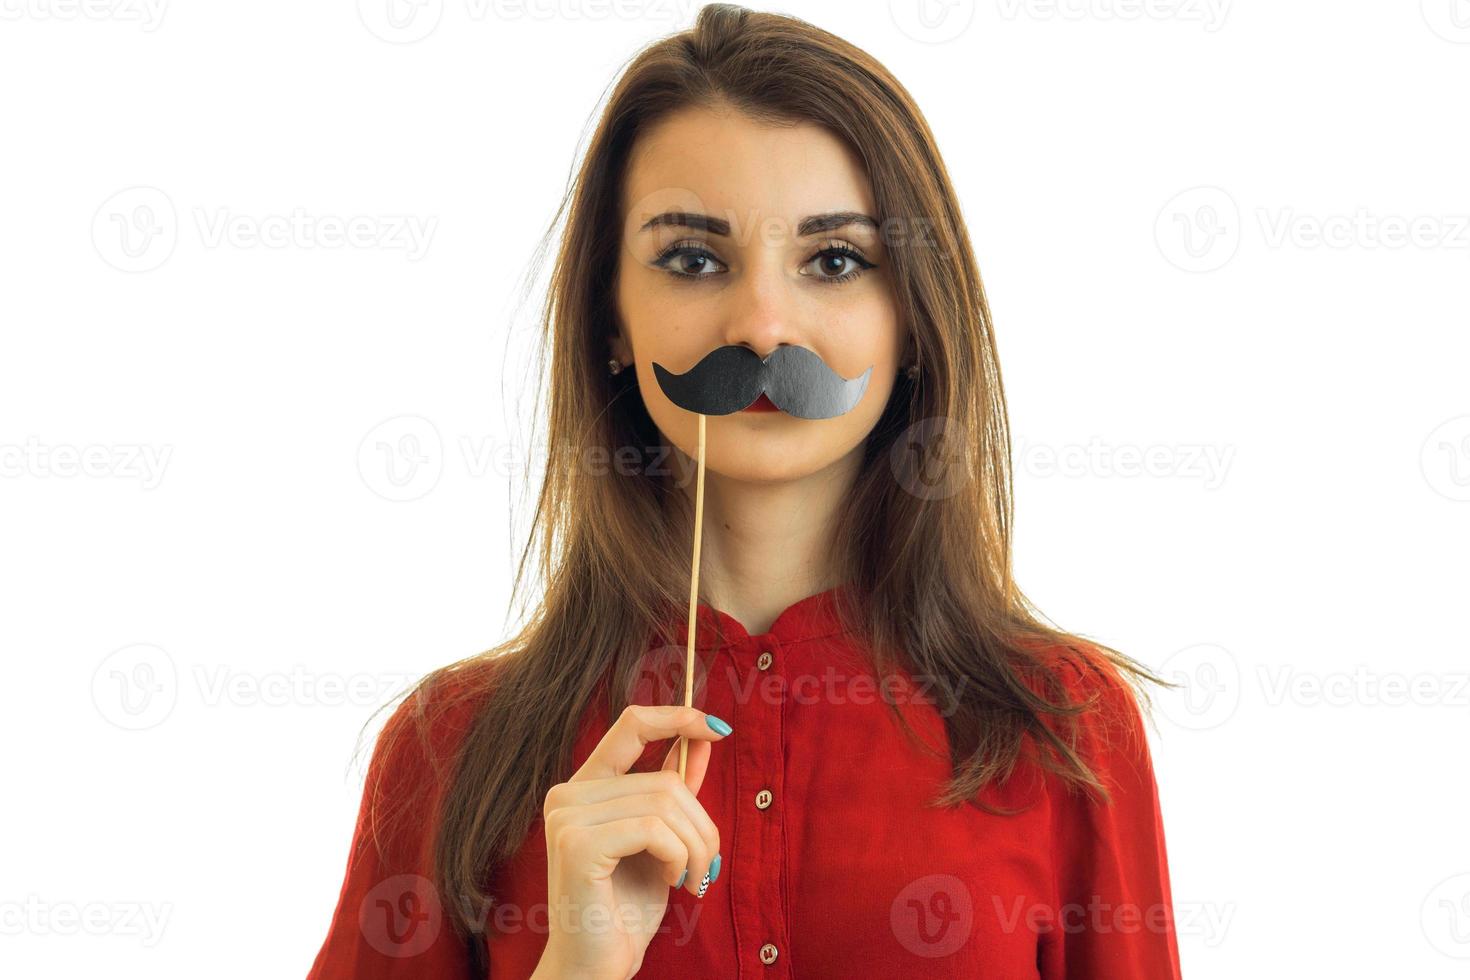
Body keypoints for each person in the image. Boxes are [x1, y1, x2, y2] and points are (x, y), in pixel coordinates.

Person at [306, 5, 1182, 978]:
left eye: (835, 260)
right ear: (612, 317)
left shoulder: (1064, 726)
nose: (764, 327)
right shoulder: (450, 746)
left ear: (913, 320)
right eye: (693, 259)